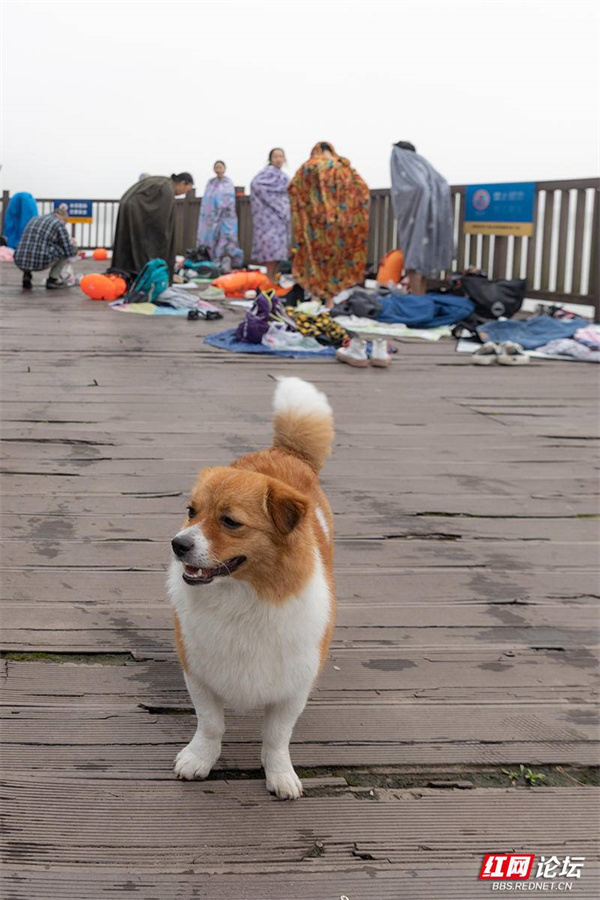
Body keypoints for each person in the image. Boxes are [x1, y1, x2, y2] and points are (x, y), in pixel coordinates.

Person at [288, 142, 369, 306]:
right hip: (338, 226)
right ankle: (330, 300)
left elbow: (293, 188)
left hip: (313, 225)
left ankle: (315, 297)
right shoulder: (343, 168)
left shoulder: (308, 167)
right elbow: (362, 189)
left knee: (314, 260)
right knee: (334, 262)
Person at [390, 141, 453, 295]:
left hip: (417, 222)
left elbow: (419, 188)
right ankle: (421, 297)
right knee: (422, 261)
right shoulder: (425, 168)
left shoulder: (412, 172)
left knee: (414, 262)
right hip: (432, 222)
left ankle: (418, 301)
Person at [112, 172, 194, 276]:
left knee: (129, 241)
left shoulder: (163, 182)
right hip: (135, 208)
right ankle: (144, 273)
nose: (184, 193)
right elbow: (162, 225)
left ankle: (126, 270)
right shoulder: (166, 189)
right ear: (182, 183)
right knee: (148, 241)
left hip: (128, 205)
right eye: (187, 189)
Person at [250, 148, 290, 281]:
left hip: (281, 219)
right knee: (270, 250)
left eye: (281, 157)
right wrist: (273, 203)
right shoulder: (266, 174)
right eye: (275, 157)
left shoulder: (283, 176)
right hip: (269, 218)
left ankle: (273, 277)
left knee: (279, 251)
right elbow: (256, 185)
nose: (278, 159)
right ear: (270, 159)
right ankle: (269, 278)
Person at [14, 203, 76, 290]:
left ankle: (27, 276)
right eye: (65, 221)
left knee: (29, 248)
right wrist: (74, 248)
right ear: (62, 217)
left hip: (20, 260)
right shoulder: (58, 223)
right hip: (40, 262)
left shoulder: (35, 219)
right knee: (64, 251)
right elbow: (68, 249)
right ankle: (52, 280)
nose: (65, 224)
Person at [196, 161, 243, 269]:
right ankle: (212, 262)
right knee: (210, 239)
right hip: (211, 218)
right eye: (216, 167)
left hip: (226, 217)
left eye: (220, 167)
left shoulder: (228, 183)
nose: (218, 169)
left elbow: (229, 199)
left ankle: (226, 263)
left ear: (224, 168)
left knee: (227, 238)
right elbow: (207, 199)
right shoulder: (210, 183)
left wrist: (221, 206)